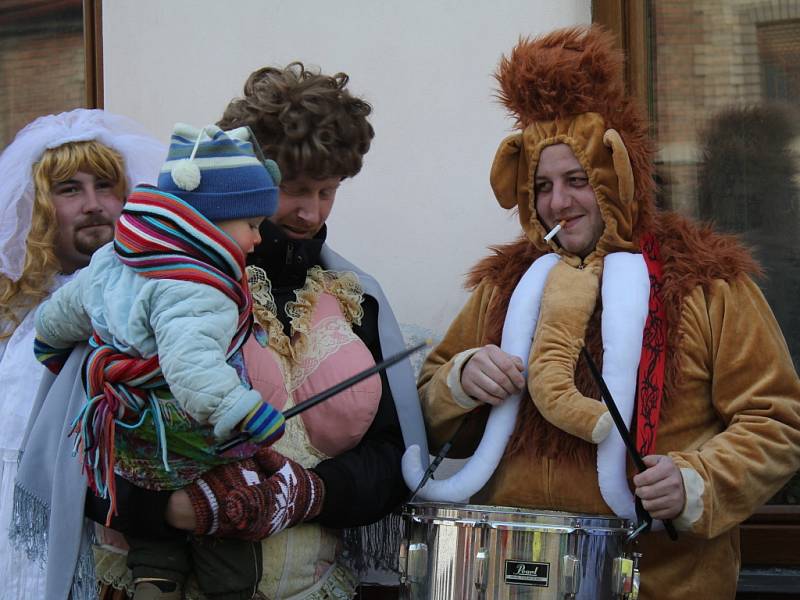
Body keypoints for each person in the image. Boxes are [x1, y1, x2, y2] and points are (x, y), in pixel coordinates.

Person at [16, 64, 428, 600]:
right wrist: (166, 508)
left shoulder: (357, 297)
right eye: (297, 189)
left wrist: (311, 493)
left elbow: (394, 453)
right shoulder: (157, 283)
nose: (312, 211)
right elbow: (81, 449)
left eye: (329, 191)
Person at [417, 26, 800, 598]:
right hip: (513, 579)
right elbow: (428, 402)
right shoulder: (504, 286)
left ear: (617, 178)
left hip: (663, 582)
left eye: (577, 181)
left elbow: (777, 421)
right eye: (542, 186)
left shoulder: (707, 282)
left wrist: (699, 481)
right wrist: (461, 379)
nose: (558, 203)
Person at [33, 122, 288, 599]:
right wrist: (246, 414)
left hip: (129, 431)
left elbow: (65, 312)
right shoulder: (198, 286)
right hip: (188, 433)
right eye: (251, 225)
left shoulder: (117, 257)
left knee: (153, 539)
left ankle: (156, 579)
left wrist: (48, 346)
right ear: (211, 222)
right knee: (227, 523)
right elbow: (192, 366)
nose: (257, 239)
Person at [0, 109, 164, 598]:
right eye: (70, 189)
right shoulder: (15, 320)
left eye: (105, 186)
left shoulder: (151, 302)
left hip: (108, 544)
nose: (93, 204)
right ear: (40, 206)